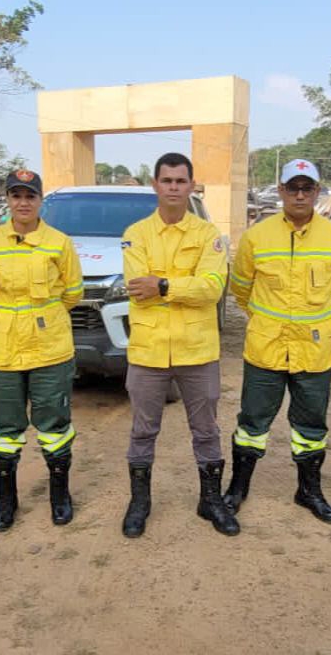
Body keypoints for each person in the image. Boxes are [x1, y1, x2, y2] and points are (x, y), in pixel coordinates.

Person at [224, 159, 331, 523]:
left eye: (307, 188)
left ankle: (309, 491)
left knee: (311, 428)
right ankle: (238, 487)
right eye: (293, 187)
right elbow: (241, 288)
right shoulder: (257, 236)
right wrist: (269, 321)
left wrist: (311, 321)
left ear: (317, 192)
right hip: (265, 350)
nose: (300, 194)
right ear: (281, 190)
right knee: (252, 423)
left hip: (315, 352)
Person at [120, 152, 239, 538]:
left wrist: (165, 285)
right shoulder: (135, 234)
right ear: (155, 184)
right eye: (167, 180)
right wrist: (180, 285)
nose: (173, 187)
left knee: (206, 430)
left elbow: (212, 289)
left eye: (180, 181)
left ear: (191, 185)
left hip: (197, 351)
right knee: (142, 430)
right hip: (149, 352)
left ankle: (211, 500)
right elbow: (139, 288)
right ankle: (140, 502)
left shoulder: (208, 236)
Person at [0, 169, 83, 531]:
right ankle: (6, 498)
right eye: (16, 196)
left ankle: (59, 494)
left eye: (30, 196)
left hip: (49, 349)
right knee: (4, 427)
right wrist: (7, 316)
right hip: (2, 349)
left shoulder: (59, 242)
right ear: (8, 200)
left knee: (54, 425)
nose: (23, 203)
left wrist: (39, 318)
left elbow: (72, 292)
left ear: (40, 200)